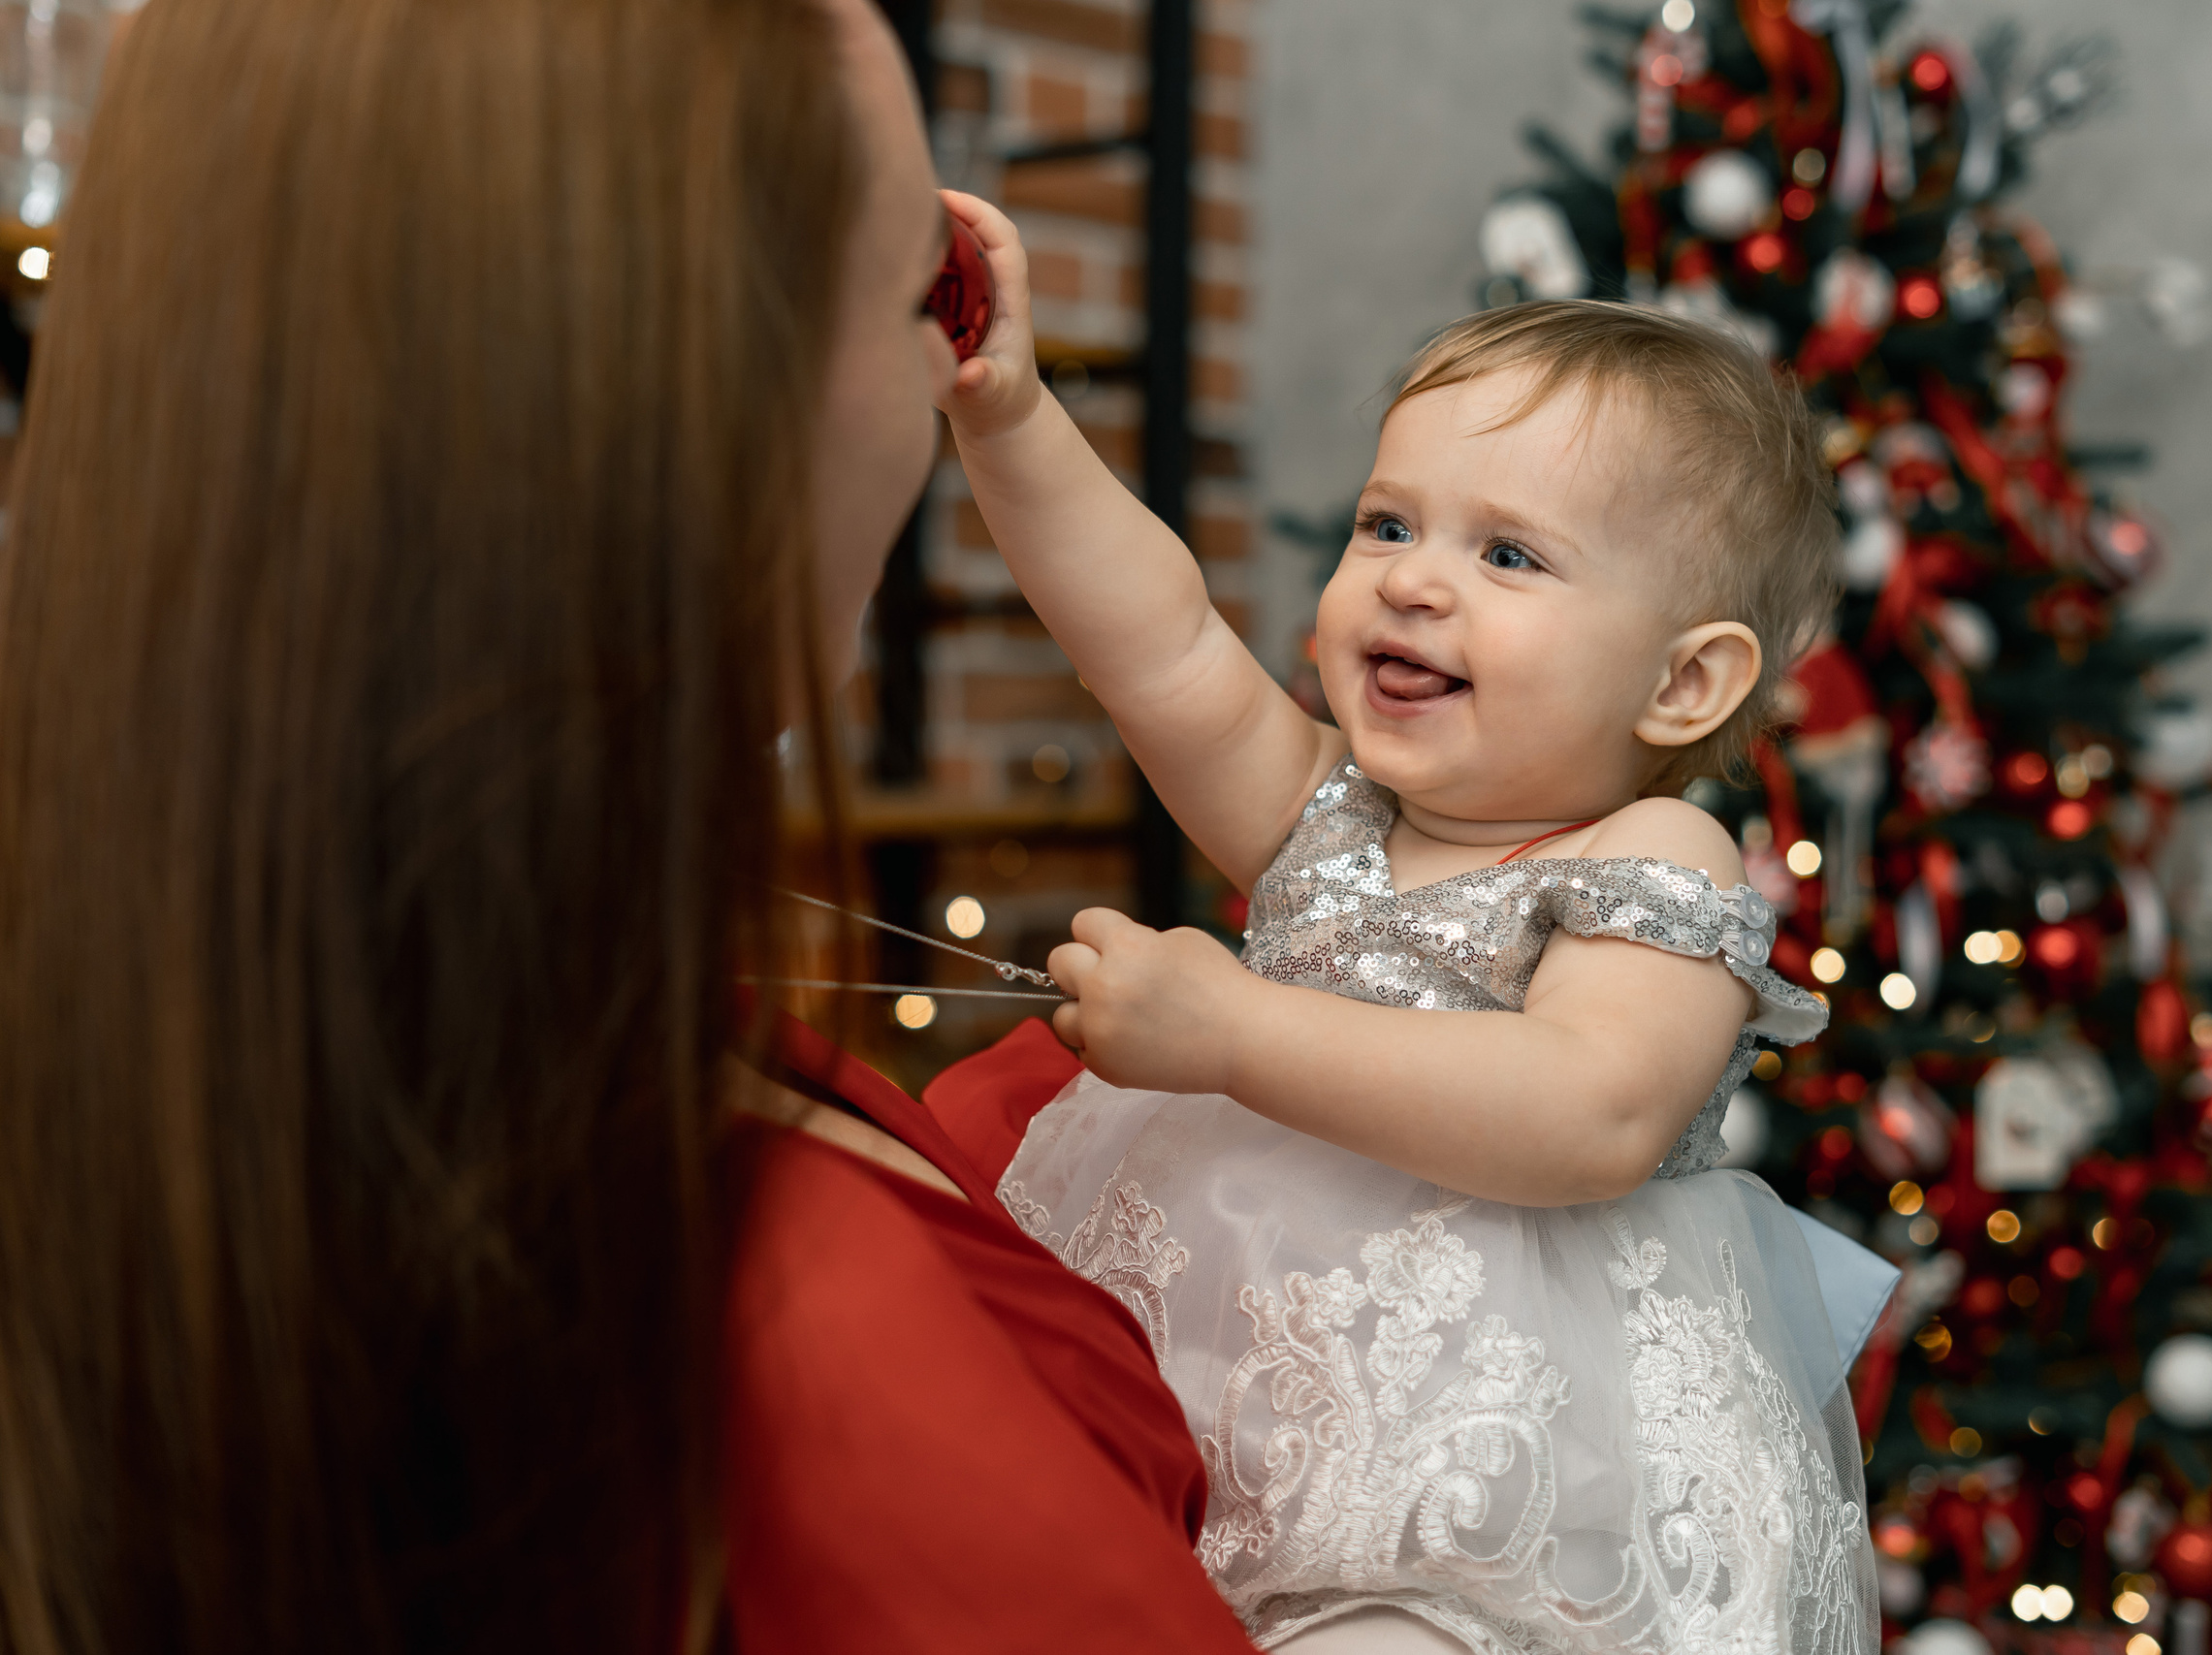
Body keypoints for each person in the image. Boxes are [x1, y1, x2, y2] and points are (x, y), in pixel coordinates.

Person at [0, 1, 1255, 1650]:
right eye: (934, 292)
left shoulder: (292, 1072)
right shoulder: (824, 1361)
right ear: (702, 421)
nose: (951, 378)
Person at [937, 195, 1896, 1654]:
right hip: (1200, 1413)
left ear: (1682, 685)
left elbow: (1591, 1110)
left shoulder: (1652, 853)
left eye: (1510, 557)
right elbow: (1156, 638)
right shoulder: (1320, 808)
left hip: (1482, 1484)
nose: (1411, 578)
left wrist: (1238, 1032)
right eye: (1387, 523)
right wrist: (1008, 413)